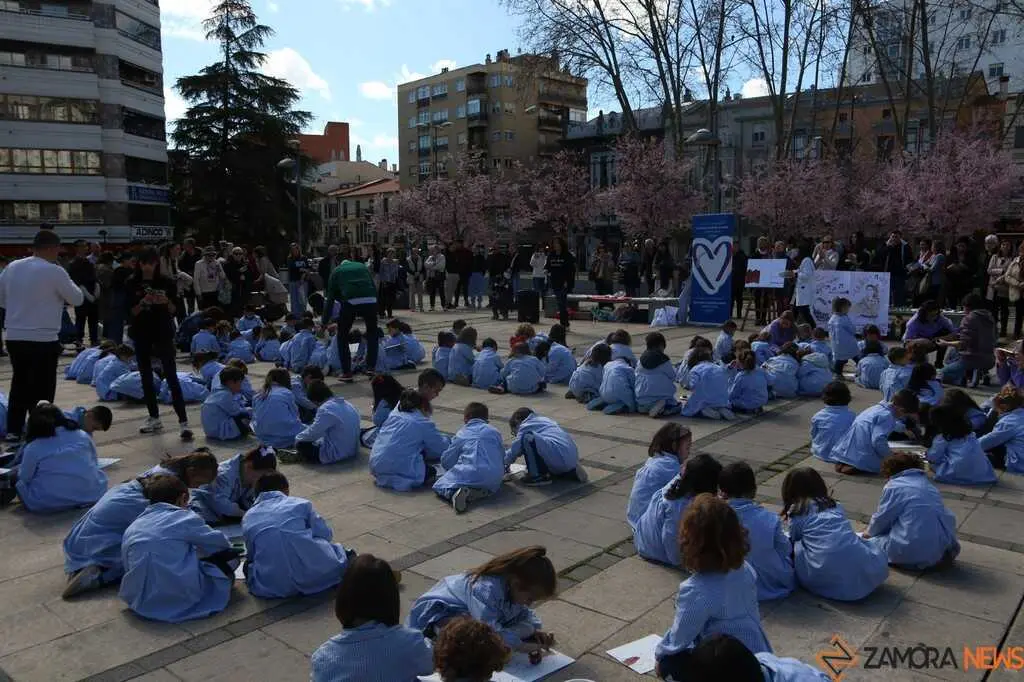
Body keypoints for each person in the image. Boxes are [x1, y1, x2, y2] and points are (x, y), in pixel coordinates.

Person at [61, 450, 218, 598]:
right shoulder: (170, 485)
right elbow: (173, 522)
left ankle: (94, 567)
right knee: (157, 552)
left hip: (92, 527)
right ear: (190, 472)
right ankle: (102, 574)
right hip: (111, 528)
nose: (197, 488)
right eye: (198, 482)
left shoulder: (164, 470)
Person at [653, 494, 771, 679]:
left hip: (723, 665)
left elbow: (679, 640)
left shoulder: (696, 591)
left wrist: (660, 657)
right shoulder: (745, 569)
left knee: (668, 663)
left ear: (689, 543)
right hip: (757, 655)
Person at [0, 230, 84, 442]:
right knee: (43, 386)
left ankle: (13, 430)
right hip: (43, 337)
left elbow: (2, 300)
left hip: (15, 335)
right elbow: (77, 298)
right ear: (50, 248)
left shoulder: (12, 267)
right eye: (58, 249)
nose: (59, 253)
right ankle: (40, 429)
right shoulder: (54, 271)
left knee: (19, 383)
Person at [118, 475, 238, 623]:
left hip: (140, 599)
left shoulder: (134, 525)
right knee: (231, 558)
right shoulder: (183, 518)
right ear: (182, 498)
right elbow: (220, 544)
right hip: (179, 596)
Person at [407, 546, 557, 653]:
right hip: (441, 613)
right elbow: (489, 631)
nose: (529, 603)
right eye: (530, 598)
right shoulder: (485, 590)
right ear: (517, 584)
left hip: (473, 614)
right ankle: (439, 641)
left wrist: (534, 632)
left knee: (525, 627)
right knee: (469, 634)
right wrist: (520, 646)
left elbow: (525, 614)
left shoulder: (514, 589)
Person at [310, 553, 431, 682]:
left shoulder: (324, 658)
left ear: (343, 598)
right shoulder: (412, 643)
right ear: (391, 599)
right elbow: (432, 665)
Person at [781, 468, 888, 601]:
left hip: (825, 573)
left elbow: (794, 537)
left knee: (796, 545)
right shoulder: (835, 505)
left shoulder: (797, 511)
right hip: (864, 573)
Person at [240, 472, 350, 598]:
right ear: (286, 490)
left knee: (249, 566)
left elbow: (252, 554)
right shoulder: (301, 504)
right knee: (338, 552)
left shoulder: (248, 517)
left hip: (274, 585)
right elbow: (325, 534)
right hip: (316, 574)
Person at [124, 248, 193, 440]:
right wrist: (145, 301)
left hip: (163, 331)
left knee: (171, 375)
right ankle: (153, 417)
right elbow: (131, 312)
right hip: (141, 332)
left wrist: (164, 301)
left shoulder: (166, 282)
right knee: (145, 376)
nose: (148, 267)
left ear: (156, 264)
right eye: (144, 263)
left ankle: (183, 422)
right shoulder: (132, 282)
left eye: (151, 263)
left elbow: (174, 310)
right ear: (139, 263)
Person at [1, 404, 107, 512]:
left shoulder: (34, 446)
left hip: (48, 502)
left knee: (16, 477)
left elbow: (24, 477)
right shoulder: (83, 435)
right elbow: (94, 463)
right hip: (91, 494)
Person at [864, 453, 960, 570]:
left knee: (868, 543)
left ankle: (912, 558)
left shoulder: (894, 486)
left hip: (911, 546)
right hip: (939, 544)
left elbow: (883, 518)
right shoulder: (927, 485)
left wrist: (868, 533)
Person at [719, 462, 795, 601]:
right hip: (773, 585)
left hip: (730, 587)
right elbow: (786, 549)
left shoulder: (714, 518)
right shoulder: (770, 519)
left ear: (722, 492)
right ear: (753, 490)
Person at [633, 453, 722, 567]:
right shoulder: (678, 508)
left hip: (644, 538)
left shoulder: (680, 483)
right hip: (655, 552)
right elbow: (672, 543)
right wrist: (683, 563)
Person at [370, 389, 450, 491]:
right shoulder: (421, 422)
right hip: (399, 469)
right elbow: (440, 448)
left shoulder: (394, 415)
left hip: (376, 466)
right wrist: (449, 440)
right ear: (422, 406)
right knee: (439, 469)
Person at [433, 402, 505, 513]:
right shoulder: (494, 431)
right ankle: (475, 493)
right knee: (486, 483)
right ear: (486, 418)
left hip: (471, 474)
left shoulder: (462, 433)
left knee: (440, 484)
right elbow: (501, 454)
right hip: (495, 477)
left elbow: (446, 461)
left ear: (466, 418)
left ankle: (453, 494)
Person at [832, 390, 920, 475]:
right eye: (904, 415)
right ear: (901, 410)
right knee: (893, 465)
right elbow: (878, 442)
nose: (902, 417)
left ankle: (847, 462)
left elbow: (888, 423)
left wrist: (904, 429)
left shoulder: (878, 408)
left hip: (846, 448)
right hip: (862, 453)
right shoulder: (887, 416)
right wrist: (892, 456)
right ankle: (857, 465)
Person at [323, 252, 379, 382]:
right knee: (372, 333)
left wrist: (324, 322)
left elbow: (330, 299)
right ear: (350, 259)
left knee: (342, 335)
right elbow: (373, 286)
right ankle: (371, 367)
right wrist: (376, 306)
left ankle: (347, 372)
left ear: (337, 263)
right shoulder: (362, 266)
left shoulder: (337, 271)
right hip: (370, 300)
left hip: (351, 301)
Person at [189, 445, 278, 525]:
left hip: (228, 510)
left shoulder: (248, 473)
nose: (262, 479)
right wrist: (246, 514)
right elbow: (221, 504)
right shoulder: (224, 475)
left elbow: (249, 500)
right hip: (204, 507)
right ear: (249, 466)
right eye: (262, 475)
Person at [627, 423, 691, 531]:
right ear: (674, 446)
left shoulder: (656, 460)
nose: (689, 452)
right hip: (648, 529)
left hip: (636, 521)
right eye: (687, 447)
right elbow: (685, 494)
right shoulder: (669, 466)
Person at [505, 407, 587, 486]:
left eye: (514, 432)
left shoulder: (526, 425)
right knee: (543, 446)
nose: (516, 435)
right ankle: (568, 471)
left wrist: (504, 462)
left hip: (558, 456)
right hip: (570, 457)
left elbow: (515, 449)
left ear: (518, 420)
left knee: (528, 437)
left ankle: (537, 476)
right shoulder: (545, 420)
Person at [289, 381, 360, 464]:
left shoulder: (326, 409)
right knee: (321, 437)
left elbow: (314, 432)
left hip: (336, 454)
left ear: (315, 401)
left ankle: (302, 456)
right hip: (353, 450)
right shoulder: (349, 405)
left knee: (301, 444)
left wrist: (297, 438)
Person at [978, 386, 1024, 472]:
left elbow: (986, 442)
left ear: (1003, 406)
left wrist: (965, 447)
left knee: (979, 453)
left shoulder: (1009, 421)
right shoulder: (1020, 415)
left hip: (1018, 463)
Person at [636, 331, 681, 417]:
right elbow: (673, 376)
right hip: (658, 396)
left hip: (641, 398)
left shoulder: (641, 360)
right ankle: (662, 407)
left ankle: (645, 407)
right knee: (677, 406)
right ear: (661, 345)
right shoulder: (663, 360)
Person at [681, 348, 734, 420]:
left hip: (705, 400)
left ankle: (705, 410)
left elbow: (693, 386)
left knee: (689, 405)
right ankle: (721, 409)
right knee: (716, 400)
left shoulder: (695, 369)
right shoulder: (718, 367)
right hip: (722, 400)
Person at [201, 366, 252, 441]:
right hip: (220, 432)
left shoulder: (216, 391)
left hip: (210, 431)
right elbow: (237, 412)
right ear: (231, 382)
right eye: (239, 383)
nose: (240, 387)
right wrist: (251, 411)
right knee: (247, 419)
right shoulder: (225, 395)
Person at [810, 381, 856, 464]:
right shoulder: (852, 416)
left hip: (821, 453)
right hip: (842, 455)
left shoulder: (818, 416)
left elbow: (813, 434)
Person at [68, 239, 100, 349]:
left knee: (93, 320)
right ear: (76, 248)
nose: (84, 248)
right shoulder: (73, 264)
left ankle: (94, 341)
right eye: (81, 246)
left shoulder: (89, 262)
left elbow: (95, 278)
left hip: (92, 296)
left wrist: (96, 289)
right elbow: (76, 282)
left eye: (86, 246)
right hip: (81, 296)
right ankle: (79, 342)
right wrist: (87, 294)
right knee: (80, 320)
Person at [875, 230, 913, 307]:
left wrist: (908, 271)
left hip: (900, 274)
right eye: (892, 237)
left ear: (900, 238)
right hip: (887, 273)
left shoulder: (905, 246)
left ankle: (899, 311)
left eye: (896, 237)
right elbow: (879, 255)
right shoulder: (886, 245)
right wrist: (888, 247)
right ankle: (887, 308)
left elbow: (909, 259)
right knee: (886, 293)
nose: (894, 239)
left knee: (899, 294)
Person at [545, 238, 575, 329]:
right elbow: (548, 266)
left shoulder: (567, 255)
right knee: (560, 303)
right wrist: (546, 270)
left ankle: (564, 323)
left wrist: (568, 281)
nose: (555, 245)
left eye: (557, 243)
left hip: (564, 282)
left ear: (561, 244)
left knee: (562, 303)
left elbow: (571, 270)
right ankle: (564, 323)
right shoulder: (551, 255)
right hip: (554, 281)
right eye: (554, 243)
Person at [987, 239, 1013, 338]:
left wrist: (1001, 276)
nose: (1005, 246)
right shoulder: (994, 257)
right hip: (993, 287)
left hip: (1004, 287)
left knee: (1004, 311)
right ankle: (994, 330)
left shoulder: (1012, 259)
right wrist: (1001, 271)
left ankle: (1003, 330)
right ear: (1000, 246)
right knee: (993, 311)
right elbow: (989, 270)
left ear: (1010, 247)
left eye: (1007, 245)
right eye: (1003, 244)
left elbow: (1009, 273)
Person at [827, 297, 858, 376]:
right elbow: (852, 330)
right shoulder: (844, 319)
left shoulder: (832, 319)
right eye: (848, 308)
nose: (848, 310)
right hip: (848, 344)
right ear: (843, 308)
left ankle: (838, 374)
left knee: (839, 360)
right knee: (856, 357)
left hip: (836, 344)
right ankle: (862, 369)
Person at [284, 243, 309, 315]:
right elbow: (292, 268)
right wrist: (302, 269)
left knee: (302, 299)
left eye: (296, 249)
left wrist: (303, 273)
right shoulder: (289, 258)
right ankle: (295, 315)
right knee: (294, 300)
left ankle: (303, 314)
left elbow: (307, 268)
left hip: (303, 281)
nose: (295, 250)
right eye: (293, 249)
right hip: (293, 281)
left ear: (298, 249)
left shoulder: (304, 258)